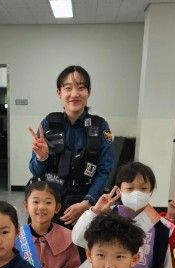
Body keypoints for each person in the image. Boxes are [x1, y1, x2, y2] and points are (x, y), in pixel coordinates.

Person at [28, 65, 113, 228]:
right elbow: (35, 171)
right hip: (50, 203)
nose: (74, 94)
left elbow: (104, 170)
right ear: (59, 92)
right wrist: (42, 157)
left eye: (81, 88)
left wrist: (87, 203)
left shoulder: (100, 126)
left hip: (85, 204)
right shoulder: (48, 123)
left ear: (89, 92)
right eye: (68, 88)